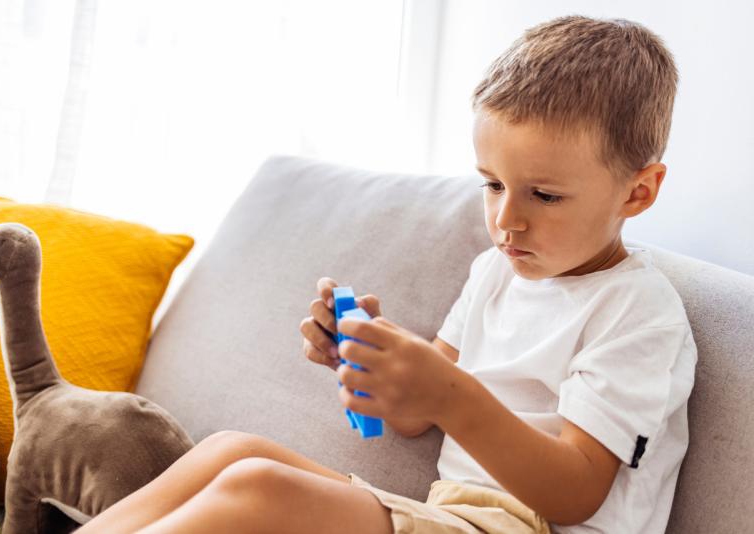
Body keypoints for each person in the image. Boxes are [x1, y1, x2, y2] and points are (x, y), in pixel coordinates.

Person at [75, 14, 697, 534]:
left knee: (258, 487)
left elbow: (576, 493)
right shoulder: (494, 275)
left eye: (545, 196)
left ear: (638, 192)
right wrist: (372, 360)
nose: (507, 220)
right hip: (450, 516)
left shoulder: (636, 311)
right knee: (233, 451)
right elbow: (413, 417)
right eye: (493, 184)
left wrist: (448, 393)